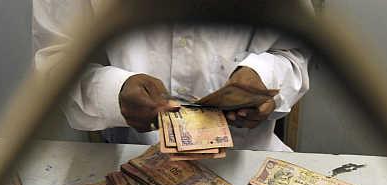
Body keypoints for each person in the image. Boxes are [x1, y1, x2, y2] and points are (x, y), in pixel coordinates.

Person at [33, 1, 311, 151]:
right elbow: (57, 58)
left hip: (247, 159)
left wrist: (265, 75)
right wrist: (112, 92)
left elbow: (295, 51)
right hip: (132, 159)